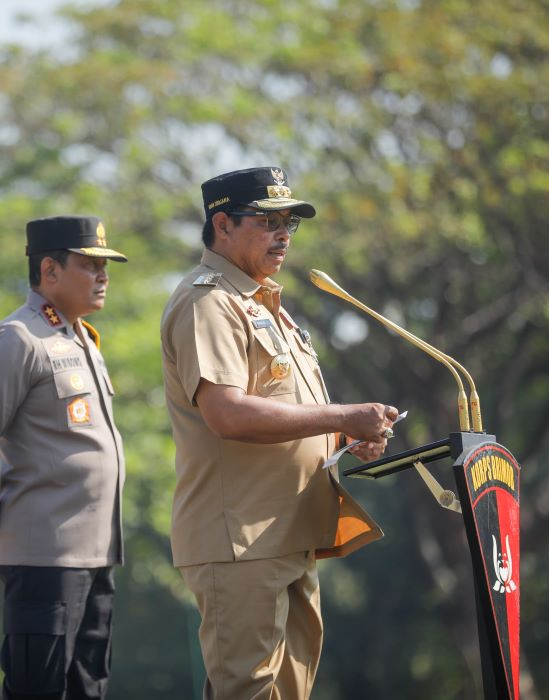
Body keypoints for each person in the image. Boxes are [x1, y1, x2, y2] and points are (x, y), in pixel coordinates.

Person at [160, 167, 399, 700]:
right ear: (222, 224)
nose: (284, 234)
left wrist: (346, 439)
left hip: (289, 533)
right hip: (240, 539)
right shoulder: (209, 302)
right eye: (268, 221)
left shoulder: (266, 305)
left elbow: (288, 414)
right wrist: (341, 416)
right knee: (248, 691)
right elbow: (228, 414)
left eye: (289, 221)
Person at [0, 215, 128, 700]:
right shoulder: (17, 339)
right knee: (39, 691)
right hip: (44, 556)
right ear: (49, 270)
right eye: (90, 264)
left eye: (105, 266)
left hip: (96, 555)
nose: (103, 276)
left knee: (87, 690)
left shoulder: (82, 339)